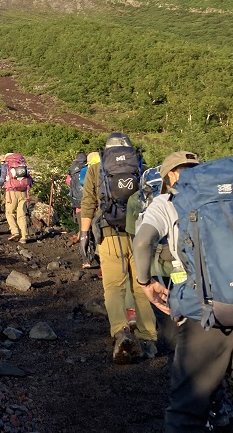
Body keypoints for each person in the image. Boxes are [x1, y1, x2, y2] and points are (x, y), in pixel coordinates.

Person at [134, 151, 233, 433]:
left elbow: (143, 240)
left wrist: (145, 283)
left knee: (186, 411)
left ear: (170, 175)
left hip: (204, 314)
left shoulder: (169, 200)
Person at [79, 132, 158, 363]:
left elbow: (88, 204)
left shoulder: (97, 168)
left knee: (114, 286)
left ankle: (121, 331)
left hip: (108, 232)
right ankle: (148, 336)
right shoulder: (140, 166)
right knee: (142, 284)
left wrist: (84, 234)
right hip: (141, 233)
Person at [1, 153, 33, 243]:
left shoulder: (7, 166)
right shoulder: (23, 164)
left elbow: (2, 178)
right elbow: (31, 179)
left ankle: (15, 232)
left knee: (9, 212)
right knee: (22, 214)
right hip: (23, 192)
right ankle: (24, 236)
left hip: (12, 193)